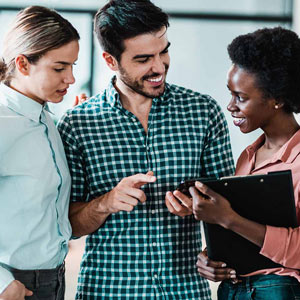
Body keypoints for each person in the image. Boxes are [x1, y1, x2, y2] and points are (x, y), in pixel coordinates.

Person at [57, 0, 234, 299]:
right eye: (143, 59)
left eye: (163, 51)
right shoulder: (78, 124)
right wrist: (107, 202)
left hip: (186, 289)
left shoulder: (203, 112)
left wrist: (202, 213)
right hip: (107, 290)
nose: (158, 67)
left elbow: (230, 204)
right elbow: (68, 226)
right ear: (111, 60)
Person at [189, 27, 300, 299]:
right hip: (234, 290)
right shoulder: (249, 156)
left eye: (241, 97)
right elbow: (247, 232)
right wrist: (212, 259)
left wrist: (229, 219)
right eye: (231, 94)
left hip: (278, 291)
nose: (230, 106)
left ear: (277, 100)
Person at [0, 6, 80, 300]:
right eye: (59, 68)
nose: (70, 78)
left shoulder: (46, 118)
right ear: (22, 64)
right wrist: (2, 284)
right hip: (15, 284)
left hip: (53, 279)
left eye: (73, 66)